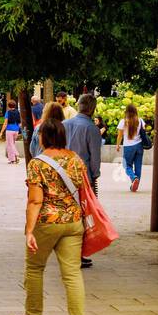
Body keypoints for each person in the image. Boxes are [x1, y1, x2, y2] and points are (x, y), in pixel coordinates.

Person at [12, 116, 88, 315]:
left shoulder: (37, 163)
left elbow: (35, 201)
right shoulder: (76, 159)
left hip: (47, 222)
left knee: (35, 268)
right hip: (73, 222)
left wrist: (29, 231)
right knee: (72, 273)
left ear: (43, 137)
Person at [63, 93, 104, 269]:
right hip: (83, 178)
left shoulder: (64, 125)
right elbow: (95, 157)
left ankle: (68, 252)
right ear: (93, 108)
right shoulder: (91, 129)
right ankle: (77, 254)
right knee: (82, 216)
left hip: (63, 176)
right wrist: (95, 174)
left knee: (67, 214)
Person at [120, 105, 146, 192]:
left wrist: (117, 145)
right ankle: (135, 183)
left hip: (128, 146)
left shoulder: (123, 121)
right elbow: (144, 132)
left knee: (126, 165)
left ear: (126, 111)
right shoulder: (141, 121)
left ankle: (133, 177)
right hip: (139, 146)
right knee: (138, 166)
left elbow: (120, 135)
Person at [0, 98, 22, 164]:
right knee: (12, 144)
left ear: (8, 106)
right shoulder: (18, 112)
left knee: (10, 144)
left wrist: (1, 132)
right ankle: (12, 159)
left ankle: (16, 154)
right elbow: (20, 122)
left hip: (9, 130)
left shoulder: (8, 112)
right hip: (16, 130)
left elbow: (5, 123)